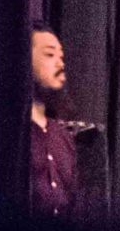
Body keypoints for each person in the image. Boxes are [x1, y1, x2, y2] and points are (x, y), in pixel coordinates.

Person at [27, 23, 80, 218]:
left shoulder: (63, 136)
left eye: (61, 57)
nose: (61, 64)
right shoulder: (12, 133)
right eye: (50, 55)